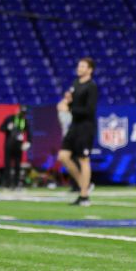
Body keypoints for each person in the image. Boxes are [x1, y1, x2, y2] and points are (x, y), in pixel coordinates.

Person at [58, 58, 99, 206]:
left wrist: (69, 109)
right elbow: (72, 102)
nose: (79, 68)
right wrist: (67, 100)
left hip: (85, 126)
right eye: (79, 65)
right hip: (74, 125)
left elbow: (89, 110)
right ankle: (84, 185)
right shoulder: (75, 84)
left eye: (83, 66)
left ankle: (84, 196)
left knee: (83, 159)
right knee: (63, 156)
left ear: (90, 70)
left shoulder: (91, 87)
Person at [0, 105, 31, 189]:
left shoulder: (25, 121)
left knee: (17, 165)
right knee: (7, 165)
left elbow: (29, 133)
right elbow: (1, 128)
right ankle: (7, 183)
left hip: (18, 146)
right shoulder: (10, 118)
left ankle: (16, 183)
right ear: (18, 110)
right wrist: (7, 128)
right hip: (9, 145)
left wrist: (28, 142)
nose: (22, 114)